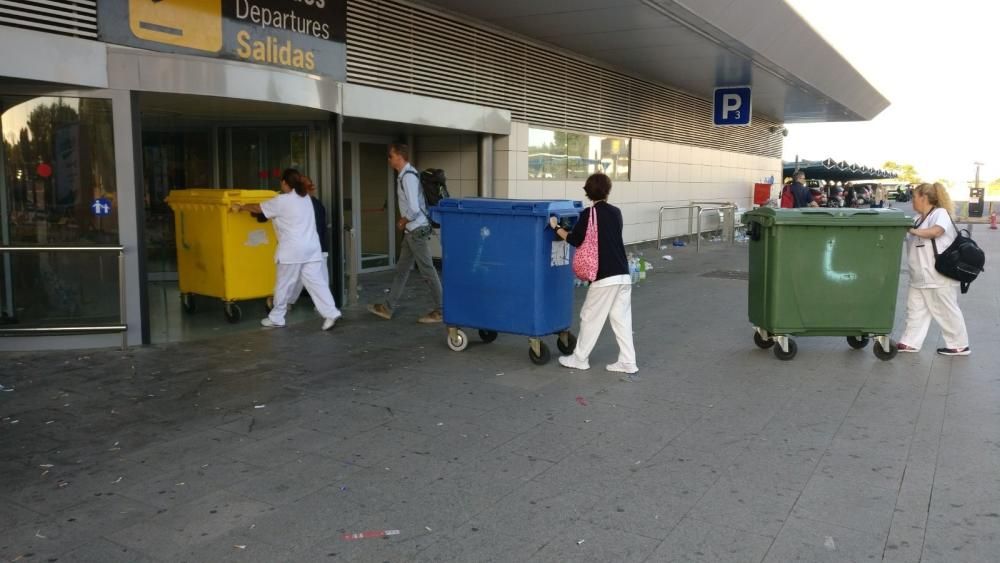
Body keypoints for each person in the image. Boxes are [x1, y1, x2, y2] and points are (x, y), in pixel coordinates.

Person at [550, 173, 638, 377]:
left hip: (604, 276)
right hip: (623, 274)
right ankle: (628, 361)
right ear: (608, 190)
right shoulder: (616, 212)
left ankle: (579, 358)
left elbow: (575, 239)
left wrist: (556, 226)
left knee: (589, 317)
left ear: (588, 192)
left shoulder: (589, 214)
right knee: (622, 320)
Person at [237, 169, 341, 330]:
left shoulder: (282, 200)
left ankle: (277, 317)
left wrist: (241, 206)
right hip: (312, 249)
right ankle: (331, 312)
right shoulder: (305, 198)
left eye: (281, 182)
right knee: (317, 283)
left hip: (292, 250)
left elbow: (258, 208)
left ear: (285, 183)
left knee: (284, 285)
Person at [367, 143, 443, 323]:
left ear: (399, 157)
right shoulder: (406, 175)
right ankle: (387, 307)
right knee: (402, 270)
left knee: (427, 271)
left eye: (390, 156)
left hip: (416, 231)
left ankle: (441, 309)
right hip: (412, 232)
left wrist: (403, 220)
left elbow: (415, 209)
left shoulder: (408, 177)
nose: (389, 159)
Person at [896, 183, 970, 356]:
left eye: (914, 196)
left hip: (938, 274)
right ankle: (910, 342)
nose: (912, 200)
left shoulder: (939, 214)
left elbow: (936, 232)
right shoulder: (916, 218)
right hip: (919, 275)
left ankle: (959, 345)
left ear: (924, 197)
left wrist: (912, 231)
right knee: (914, 309)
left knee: (945, 310)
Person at [287, 175, 329, 307]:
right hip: (315, 247)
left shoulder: (310, 204)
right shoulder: (315, 203)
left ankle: (287, 302)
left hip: (311, 248)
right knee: (314, 277)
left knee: (299, 277)